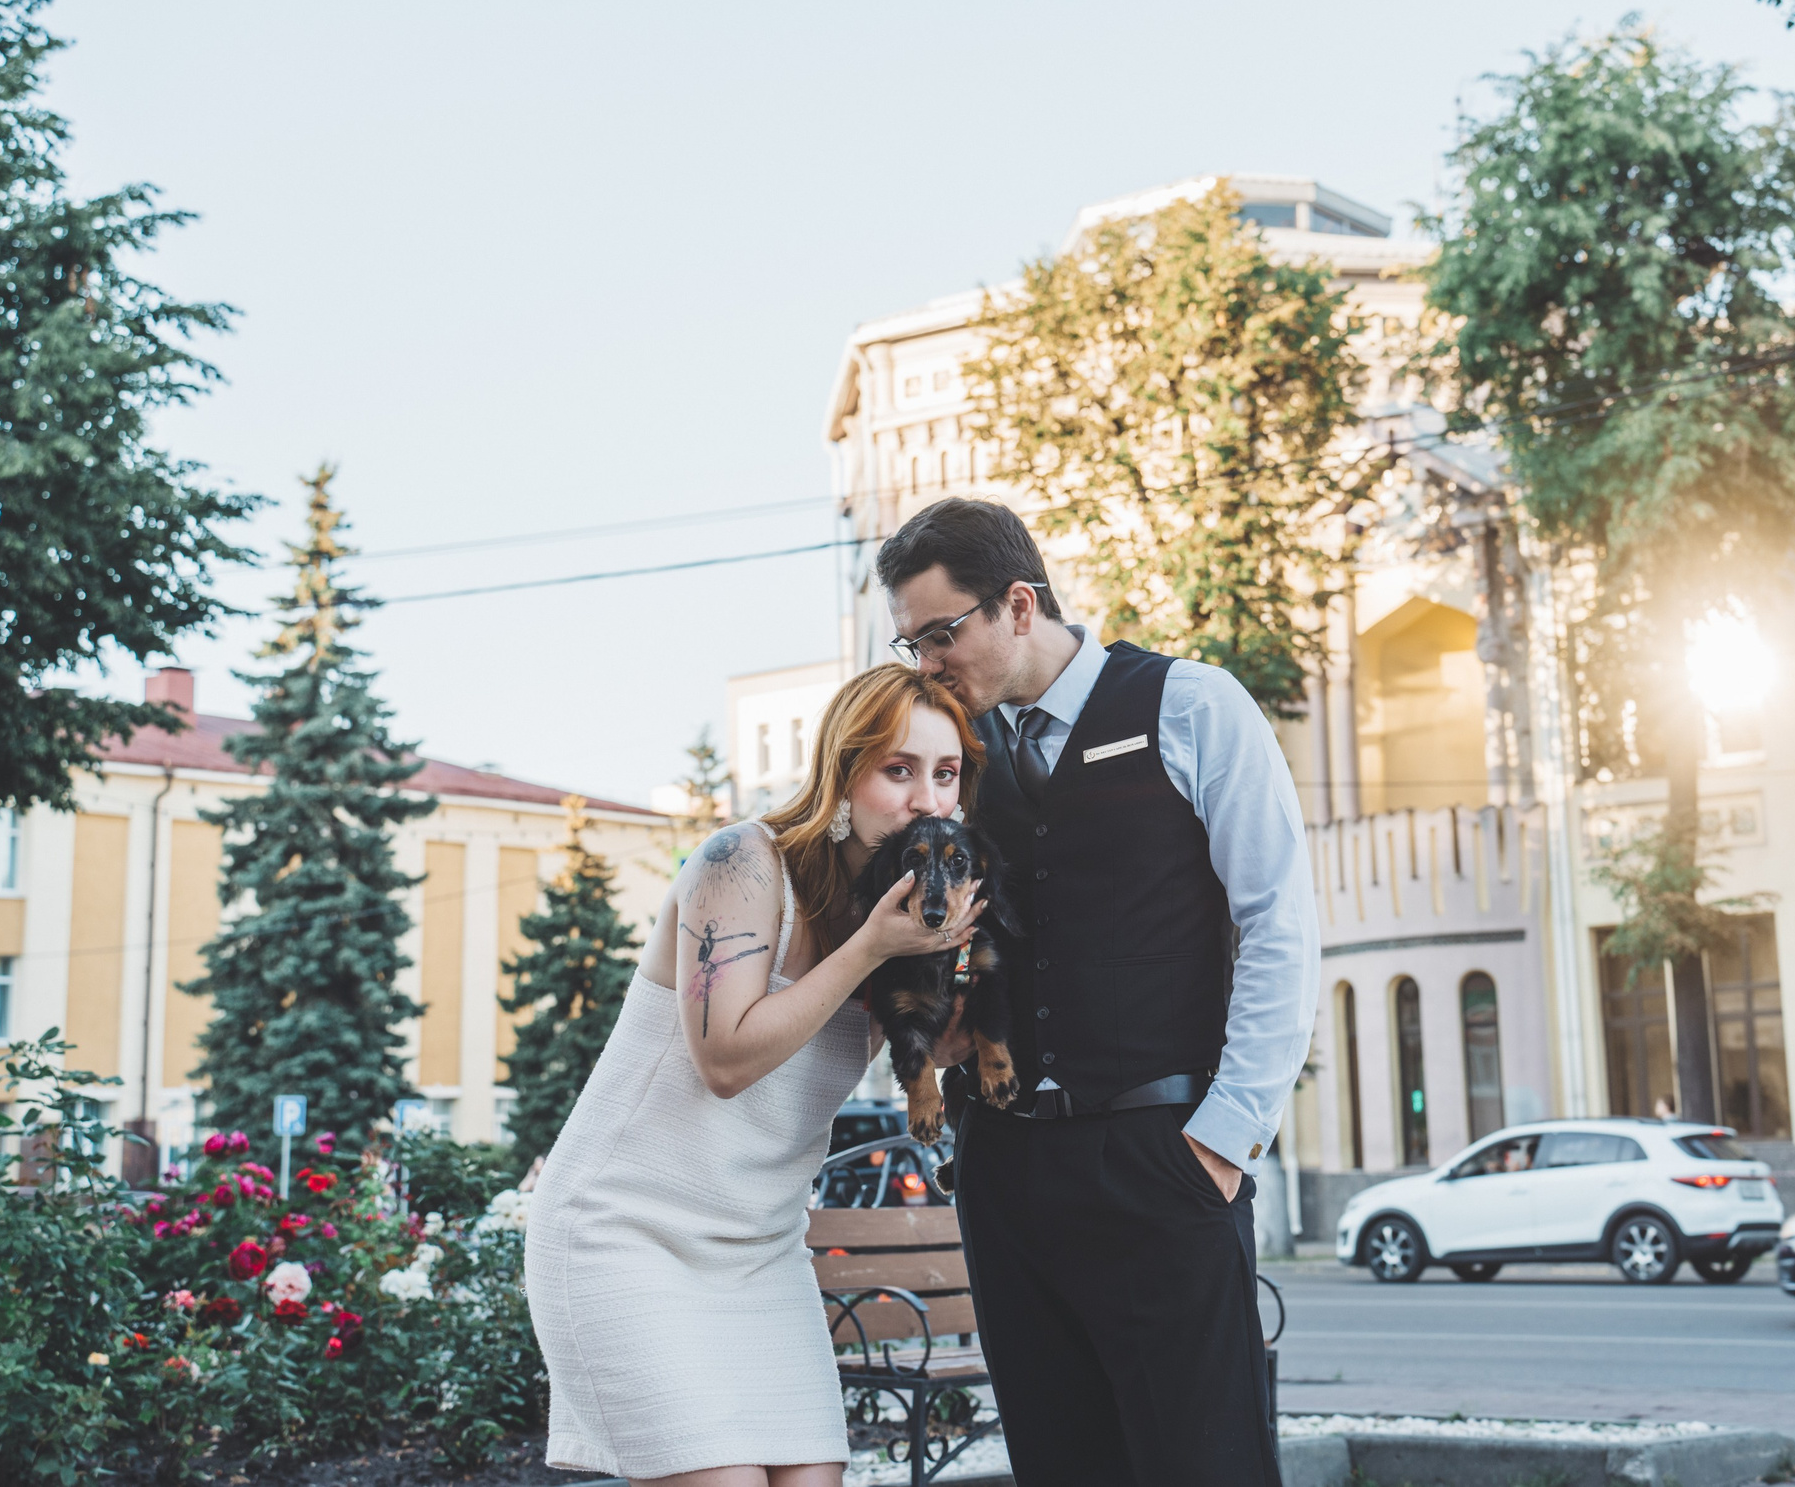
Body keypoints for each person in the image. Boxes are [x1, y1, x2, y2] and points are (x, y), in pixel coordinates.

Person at [878, 497, 1319, 1487]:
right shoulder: (957, 759)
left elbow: (1278, 924)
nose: (928, 664)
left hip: (1161, 1157)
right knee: (1060, 1463)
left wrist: (1225, 1139)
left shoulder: (1193, 705)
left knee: (1204, 1465)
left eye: (941, 635)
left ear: (1018, 605)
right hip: (1004, 1169)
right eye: (912, 644)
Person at [525, 667, 986, 1487]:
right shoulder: (741, 862)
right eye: (898, 769)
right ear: (843, 772)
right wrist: (871, 949)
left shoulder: (904, 919)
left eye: (945, 774)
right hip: (624, 1233)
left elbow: (941, 1052)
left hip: (762, 1253)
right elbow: (726, 1060)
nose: (927, 800)